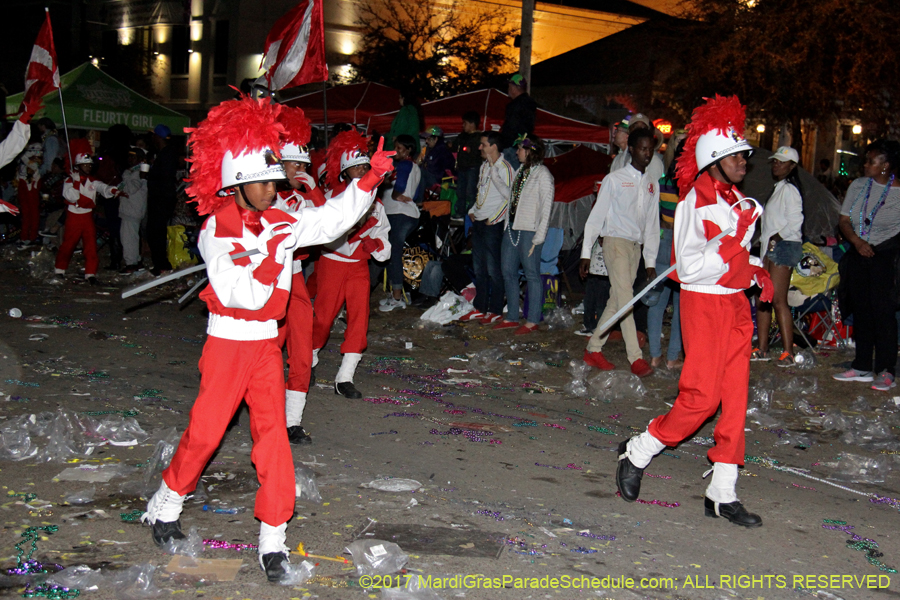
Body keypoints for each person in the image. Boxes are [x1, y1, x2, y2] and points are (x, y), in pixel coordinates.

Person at [142, 96, 391, 583]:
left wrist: (367, 181)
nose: (273, 189)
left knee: (274, 438)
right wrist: (272, 252)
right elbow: (243, 294)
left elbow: (329, 221)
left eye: (275, 181)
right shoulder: (217, 231)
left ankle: (272, 538)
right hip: (229, 343)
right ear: (237, 185)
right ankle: (165, 504)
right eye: (263, 183)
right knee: (206, 434)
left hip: (264, 347)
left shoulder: (279, 218)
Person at [615, 95, 771, 528]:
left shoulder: (735, 199)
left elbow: (735, 253)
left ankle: (722, 492)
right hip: (704, 304)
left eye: (744, 155)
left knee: (735, 400)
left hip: (735, 305)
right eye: (738, 155)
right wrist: (732, 243)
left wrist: (755, 270)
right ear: (715, 159)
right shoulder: (693, 202)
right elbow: (689, 267)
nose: (745, 161)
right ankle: (640, 449)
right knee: (701, 399)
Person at [311, 129, 392, 399]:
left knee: (359, 318)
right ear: (345, 171)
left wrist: (376, 245)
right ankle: (307, 360)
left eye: (364, 167)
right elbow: (328, 233)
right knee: (322, 318)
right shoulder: (332, 199)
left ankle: (345, 377)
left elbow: (384, 239)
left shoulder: (376, 204)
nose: (360, 171)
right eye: (355, 167)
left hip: (358, 266)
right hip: (332, 263)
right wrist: (358, 233)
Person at [581, 128, 660, 377]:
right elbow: (596, 217)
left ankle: (593, 348)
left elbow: (652, 225)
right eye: (643, 149)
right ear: (632, 149)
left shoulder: (651, 185)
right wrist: (585, 252)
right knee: (627, 299)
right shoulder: (614, 179)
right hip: (615, 243)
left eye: (651, 149)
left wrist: (650, 261)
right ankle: (635, 357)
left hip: (635, 248)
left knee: (617, 300)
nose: (647, 154)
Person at [273, 106, 326, 445]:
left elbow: (324, 226)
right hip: (268, 283)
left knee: (303, 351)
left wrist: (314, 191)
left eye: (306, 165)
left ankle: (292, 420)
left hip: (295, 280)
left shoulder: (302, 197)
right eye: (297, 165)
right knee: (264, 349)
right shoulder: (262, 193)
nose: (302, 170)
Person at [834, 139, 900, 391]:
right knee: (861, 310)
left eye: (871, 160)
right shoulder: (859, 186)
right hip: (859, 252)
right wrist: (858, 242)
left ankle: (885, 370)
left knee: (883, 313)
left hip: (885, 256)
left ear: (885, 165)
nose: (865, 164)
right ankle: (862, 365)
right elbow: (843, 220)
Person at [494, 133, 554, 335]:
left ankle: (532, 319)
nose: (517, 152)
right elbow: (511, 197)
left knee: (531, 274)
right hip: (512, 227)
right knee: (508, 271)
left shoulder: (543, 174)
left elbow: (546, 207)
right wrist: (495, 175)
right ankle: (512, 315)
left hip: (529, 230)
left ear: (529, 151)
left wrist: (539, 237)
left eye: (520, 148)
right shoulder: (521, 171)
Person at [753, 146, 805, 365]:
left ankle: (787, 352)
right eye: (775, 161)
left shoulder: (790, 190)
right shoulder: (778, 188)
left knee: (778, 300)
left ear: (792, 166)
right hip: (771, 246)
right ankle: (762, 349)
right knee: (762, 298)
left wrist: (775, 238)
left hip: (783, 246)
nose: (776, 165)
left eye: (782, 162)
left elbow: (795, 222)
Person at [460, 130, 513, 324]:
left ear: (494, 146)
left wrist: (495, 218)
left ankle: (496, 309)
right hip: (480, 222)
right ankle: (480, 308)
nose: (480, 147)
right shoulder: (484, 166)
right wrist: (473, 209)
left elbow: (510, 198)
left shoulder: (505, 167)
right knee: (479, 268)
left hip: (493, 224)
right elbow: (481, 192)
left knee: (493, 269)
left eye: (483, 144)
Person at [55, 144, 127, 285]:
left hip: (87, 217)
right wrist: (76, 182)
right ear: (78, 166)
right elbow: (72, 197)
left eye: (89, 165)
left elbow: (102, 187)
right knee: (68, 245)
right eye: (85, 165)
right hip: (74, 216)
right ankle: (59, 270)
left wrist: (113, 190)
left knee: (91, 246)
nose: (88, 167)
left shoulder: (92, 180)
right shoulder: (69, 181)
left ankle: (90, 273)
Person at [646, 141, 684, 370]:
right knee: (681, 306)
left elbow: (653, 216)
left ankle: (654, 355)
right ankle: (672, 357)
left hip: (663, 240)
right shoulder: (694, 189)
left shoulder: (662, 184)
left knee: (656, 303)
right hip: (682, 245)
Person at [380, 134, 423, 312]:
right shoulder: (411, 166)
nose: (395, 151)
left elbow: (400, 188)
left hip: (400, 213)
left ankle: (397, 296)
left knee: (394, 252)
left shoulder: (405, 165)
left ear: (409, 150)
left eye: (399, 148)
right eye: (395, 147)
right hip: (402, 213)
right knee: (392, 252)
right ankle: (394, 293)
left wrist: (396, 195)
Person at [147, 124, 178, 275]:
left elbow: (163, 178)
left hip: (161, 200)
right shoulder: (165, 153)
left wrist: (150, 175)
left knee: (155, 232)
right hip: (162, 199)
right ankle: (160, 263)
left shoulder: (166, 154)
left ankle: (161, 264)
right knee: (156, 232)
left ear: (158, 137)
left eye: (153, 135)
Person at [119, 147, 149, 273]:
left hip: (132, 211)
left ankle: (131, 264)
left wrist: (125, 176)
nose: (130, 159)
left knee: (128, 239)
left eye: (134, 157)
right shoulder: (134, 172)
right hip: (131, 210)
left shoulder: (137, 173)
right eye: (129, 156)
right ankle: (135, 261)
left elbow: (131, 188)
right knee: (131, 238)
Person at [499, 74, 537, 170]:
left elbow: (512, 127)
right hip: (523, 147)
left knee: (509, 177)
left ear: (514, 88)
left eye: (509, 87)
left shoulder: (514, 106)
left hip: (511, 147)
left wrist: (503, 141)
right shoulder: (530, 103)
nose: (508, 90)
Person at [455, 112, 482, 219]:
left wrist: (471, 150)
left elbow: (478, 153)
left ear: (472, 124)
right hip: (462, 167)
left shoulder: (478, 137)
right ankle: (460, 212)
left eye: (465, 123)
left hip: (472, 168)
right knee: (460, 191)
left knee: (471, 192)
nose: (463, 125)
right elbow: (455, 146)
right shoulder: (462, 136)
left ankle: (471, 213)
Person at [16, 142, 42, 248]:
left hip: (32, 187)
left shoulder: (35, 162)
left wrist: (25, 152)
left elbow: (29, 162)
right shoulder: (24, 161)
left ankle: (31, 237)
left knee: (33, 214)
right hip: (23, 185)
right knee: (26, 213)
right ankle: (24, 237)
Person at [386, 90, 424, 157]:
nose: (399, 100)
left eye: (400, 97)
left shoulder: (408, 110)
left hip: (403, 149)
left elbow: (412, 128)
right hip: (402, 147)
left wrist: (399, 139)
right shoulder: (411, 110)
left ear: (404, 98)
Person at [421, 126, 455, 192]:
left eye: (428, 139)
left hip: (441, 180)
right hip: (435, 177)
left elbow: (435, 169)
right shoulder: (431, 149)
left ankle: (419, 201)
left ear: (436, 139)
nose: (426, 141)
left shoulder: (441, 150)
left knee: (421, 173)